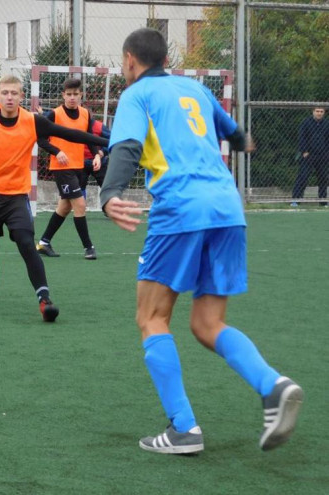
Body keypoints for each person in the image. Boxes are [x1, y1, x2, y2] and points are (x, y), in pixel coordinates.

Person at [100, 28, 303, 454]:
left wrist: (109, 193)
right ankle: (273, 385)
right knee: (207, 324)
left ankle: (184, 429)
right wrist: (242, 142)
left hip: (181, 208)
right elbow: (234, 133)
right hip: (228, 209)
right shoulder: (195, 89)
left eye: (123, 62)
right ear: (164, 58)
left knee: (151, 317)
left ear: (131, 59)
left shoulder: (137, 95)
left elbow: (128, 146)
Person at [0, 74, 108, 322]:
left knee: (27, 244)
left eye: (14, 93)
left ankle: (45, 300)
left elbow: (71, 134)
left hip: (16, 196)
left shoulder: (32, 121)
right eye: (5, 93)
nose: (9, 97)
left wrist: (108, 142)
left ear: (21, 97)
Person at [35, 78, 104, 260]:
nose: (72, 97)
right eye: (69, 94)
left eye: (75, 94)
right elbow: (40, 140)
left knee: (65, 207)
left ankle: (43, 243)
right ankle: (88, 247)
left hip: (78, 166)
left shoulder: (85, 114)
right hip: (61, 168)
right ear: (63, 95)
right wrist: (57, 152)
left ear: (81, 95)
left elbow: (89, 138)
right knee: (80, 204)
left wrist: (96, 155)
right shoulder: (54, 115)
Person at [291, 107, 329, 207]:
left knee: (323, 178)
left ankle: (323, 201)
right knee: (303, 177)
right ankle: (296, 200)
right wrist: (304, 151)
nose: (319, 113)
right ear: (313, 111)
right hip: (308, 155)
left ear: (324, 113)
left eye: (321, 111)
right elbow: (302, 137)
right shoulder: (306, 122)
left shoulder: (327, 123)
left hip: (323, 156)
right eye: (317, 111)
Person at [83, 119, 111, 188]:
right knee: (78, 188)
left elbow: (111, 140)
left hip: (99, 162)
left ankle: (109, 194)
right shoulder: (76, 125)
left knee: (107, 187)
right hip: (81, 162)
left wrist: (103, 151)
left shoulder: (99, 126)